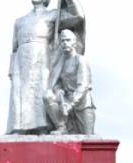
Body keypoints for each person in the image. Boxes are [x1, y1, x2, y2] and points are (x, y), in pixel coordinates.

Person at [7, 0, 85, 134]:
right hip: (21, 60)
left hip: (42, 56)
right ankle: (19, 128)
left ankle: (43, 126)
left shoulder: (53, 15)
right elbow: (14, 48)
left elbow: (77, 17)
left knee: (41, 90)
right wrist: (11, 67)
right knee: (19, 93)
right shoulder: (19, 21)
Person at [44, 29, 95, 134]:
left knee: (89, 137)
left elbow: (83, 86)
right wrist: (59, 91)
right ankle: (62, 127)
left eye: (68, 40)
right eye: (62, 41)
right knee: (47, 95)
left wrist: (71, 104)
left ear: (74, 43)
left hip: (82, 104)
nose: (65, 43)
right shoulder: (60, 62)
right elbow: (56, 83)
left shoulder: (80, 60)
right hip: (65, 101)